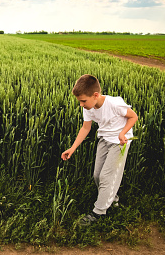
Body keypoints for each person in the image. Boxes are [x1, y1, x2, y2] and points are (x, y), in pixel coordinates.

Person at [61, 74, 138, 226]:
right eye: (79, 101)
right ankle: (113, 200)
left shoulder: (114, 103)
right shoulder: (88, 107)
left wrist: (123, 133)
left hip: (119, 142)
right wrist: (73, 148)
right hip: (104, 139)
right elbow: (86, 128)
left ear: (95, 95)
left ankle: (99, 212)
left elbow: (133, 117)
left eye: (83, 101)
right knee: (97, 175)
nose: (81, 104)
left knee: (106, 176)